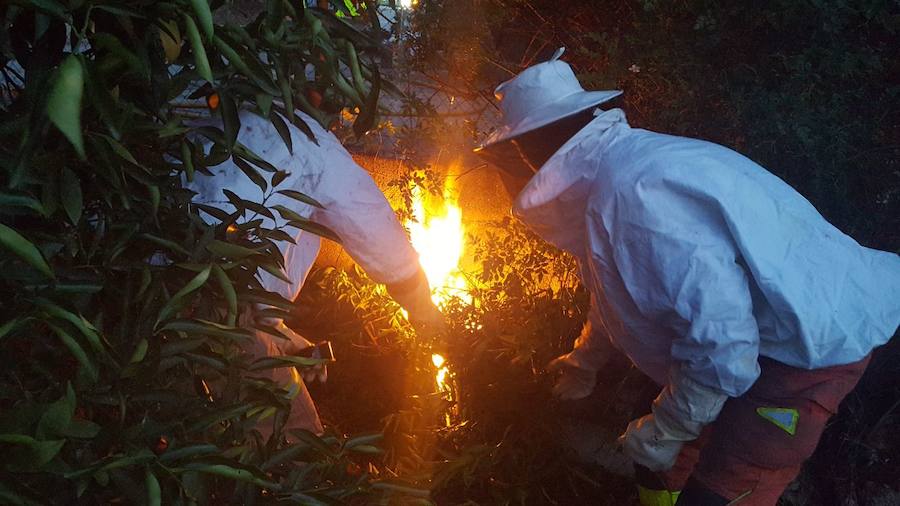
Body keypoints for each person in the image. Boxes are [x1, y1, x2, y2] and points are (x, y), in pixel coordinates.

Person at [474, 48, 900, 505]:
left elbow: (723, 343)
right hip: (765, 338)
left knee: (723, 483)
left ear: (533, 147)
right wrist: (584, 362)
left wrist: (669, 427)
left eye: (519, 150)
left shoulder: (636, 196)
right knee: (658, 455)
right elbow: (617, 295)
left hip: (805, 353)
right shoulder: (623, 173)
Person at [186, 107, 444, 435]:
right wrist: (429, 316)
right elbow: (385, 247)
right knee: (296, 445)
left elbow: (246, 270)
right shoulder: (308, 141)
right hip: (215, 317)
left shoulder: (213, 125)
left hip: (153, 299)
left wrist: (283, 337)